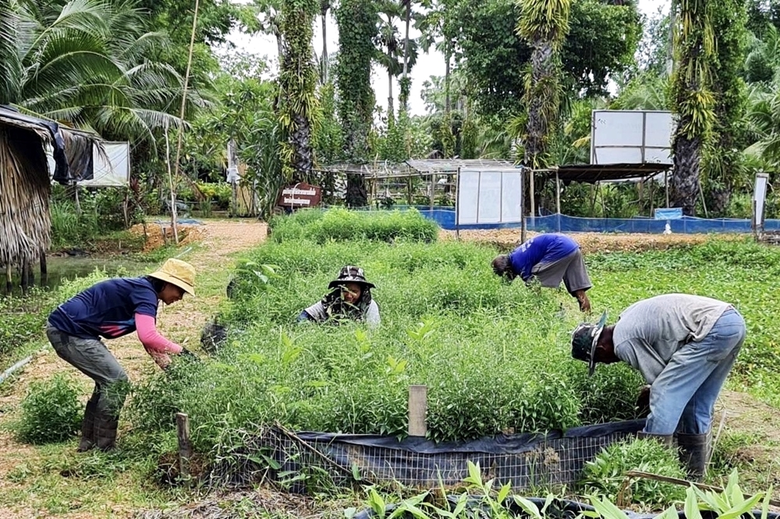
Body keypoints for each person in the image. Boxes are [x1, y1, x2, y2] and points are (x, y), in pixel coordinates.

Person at [570, 294, 746, 480]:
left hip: (712, 329)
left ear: (601, 350)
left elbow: (661, 382)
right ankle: (694, 478)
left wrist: (651, 394)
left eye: (600, 361)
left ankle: (651, 473)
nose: (607, 363)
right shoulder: (626, 318)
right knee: (696, 404)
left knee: (664, 395)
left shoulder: (622, 342)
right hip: (731, 322)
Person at [45, 258, 196, 452]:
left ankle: (89, 442)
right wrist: (182, 352)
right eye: (180, 291)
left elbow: (148, 342)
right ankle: (105, 447)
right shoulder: (145, 293)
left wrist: (171, 369)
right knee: (116, 381)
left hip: (72, 330)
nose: (180, 297)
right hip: (68, 331)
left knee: (107, 381)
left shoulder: (144, 293)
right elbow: (149, 336)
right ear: (167, 283)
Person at [492, 233, 592, 312]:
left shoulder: (518, 264)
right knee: (578, 288)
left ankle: (547, 310)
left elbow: (533, 285)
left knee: (534, 279)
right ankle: (588, 317)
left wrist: (536, 305)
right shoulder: (515, 255)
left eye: (505, 275)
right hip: (571, 245)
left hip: (559, 247)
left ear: (508, 269)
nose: (507, 278)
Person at [298, 266, 380, 327]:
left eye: (354, 291)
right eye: (344, 290)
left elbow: (373, 333)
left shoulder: (369, 305)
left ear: (362, 292)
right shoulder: (331, 301)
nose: (349, 295)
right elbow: (304, 316)